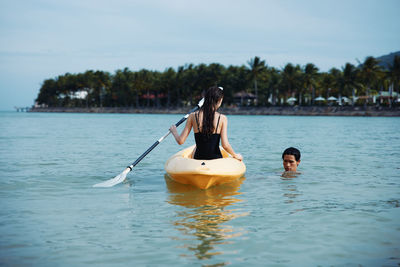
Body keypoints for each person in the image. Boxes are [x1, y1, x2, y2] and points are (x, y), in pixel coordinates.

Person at [169, 86, 243, 161]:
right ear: (220, 100)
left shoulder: (192, 116)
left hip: (198, 158)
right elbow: (225, 145)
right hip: (216, 159)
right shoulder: (222, 118)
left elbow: (180, 141)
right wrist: (235, 155)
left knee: (195, 147)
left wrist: (174, 131)